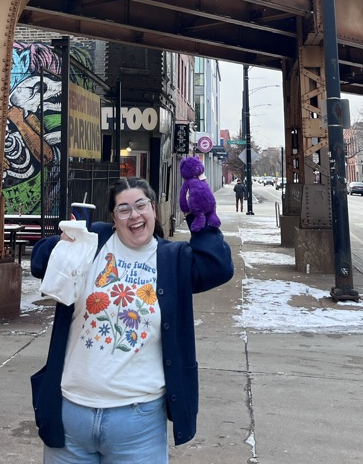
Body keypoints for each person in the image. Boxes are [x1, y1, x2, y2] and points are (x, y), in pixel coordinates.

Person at [30, 176, 234, 463]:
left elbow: (219, 266)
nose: (134, 215)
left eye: (141, 205)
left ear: (153, 209)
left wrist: (202, 219)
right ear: (113, 218)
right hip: (70, 418)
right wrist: (63, 243)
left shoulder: (172, 258)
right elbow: (39, 263)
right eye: (123, 209)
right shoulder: (93, 243)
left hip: (139, 423)